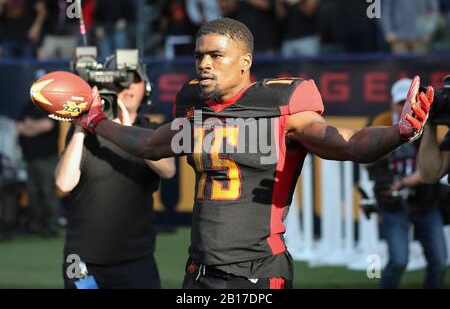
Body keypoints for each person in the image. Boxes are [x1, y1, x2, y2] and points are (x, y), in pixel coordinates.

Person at [74, 18, 433, 289]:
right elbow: (148, 144)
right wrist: (96, 121)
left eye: (216, 55)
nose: (204, 64)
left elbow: (348, 143)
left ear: (244, 61)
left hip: (256, 271)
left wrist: (399, 133)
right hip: (198, 270)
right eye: (200, 55)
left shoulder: (280, 105)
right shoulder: (194, 106)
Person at [55, 64, 176, 289]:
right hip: (81, 260)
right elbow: (63, 183)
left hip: (136, 260)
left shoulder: (151, 131)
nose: (127, 86)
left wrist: (129, 128)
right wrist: (82, 126)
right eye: (120, 81)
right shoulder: (85, 133)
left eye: (134, 79)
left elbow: (168, 170)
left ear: (146, 87)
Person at [367, 78, 447, 289]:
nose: (406, 107)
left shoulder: (428, 123)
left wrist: (403, 183)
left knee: (439, 261)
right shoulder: (379, 123)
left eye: (410, 102)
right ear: (392, 103)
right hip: (393, 203)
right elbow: (370, 163)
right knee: (399, 261)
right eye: (401, 101)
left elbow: (433, 169)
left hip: (424, 200)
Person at [17, 71, 59, 237]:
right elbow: (19, 126)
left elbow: (48, 125)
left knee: (47, 192)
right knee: (33, 193)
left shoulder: (52, 105)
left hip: (47, 157)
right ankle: (36, 225)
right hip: (30, 157)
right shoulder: (28, 105)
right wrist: (35, 127)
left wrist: (31, 126)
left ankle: (51, 225)